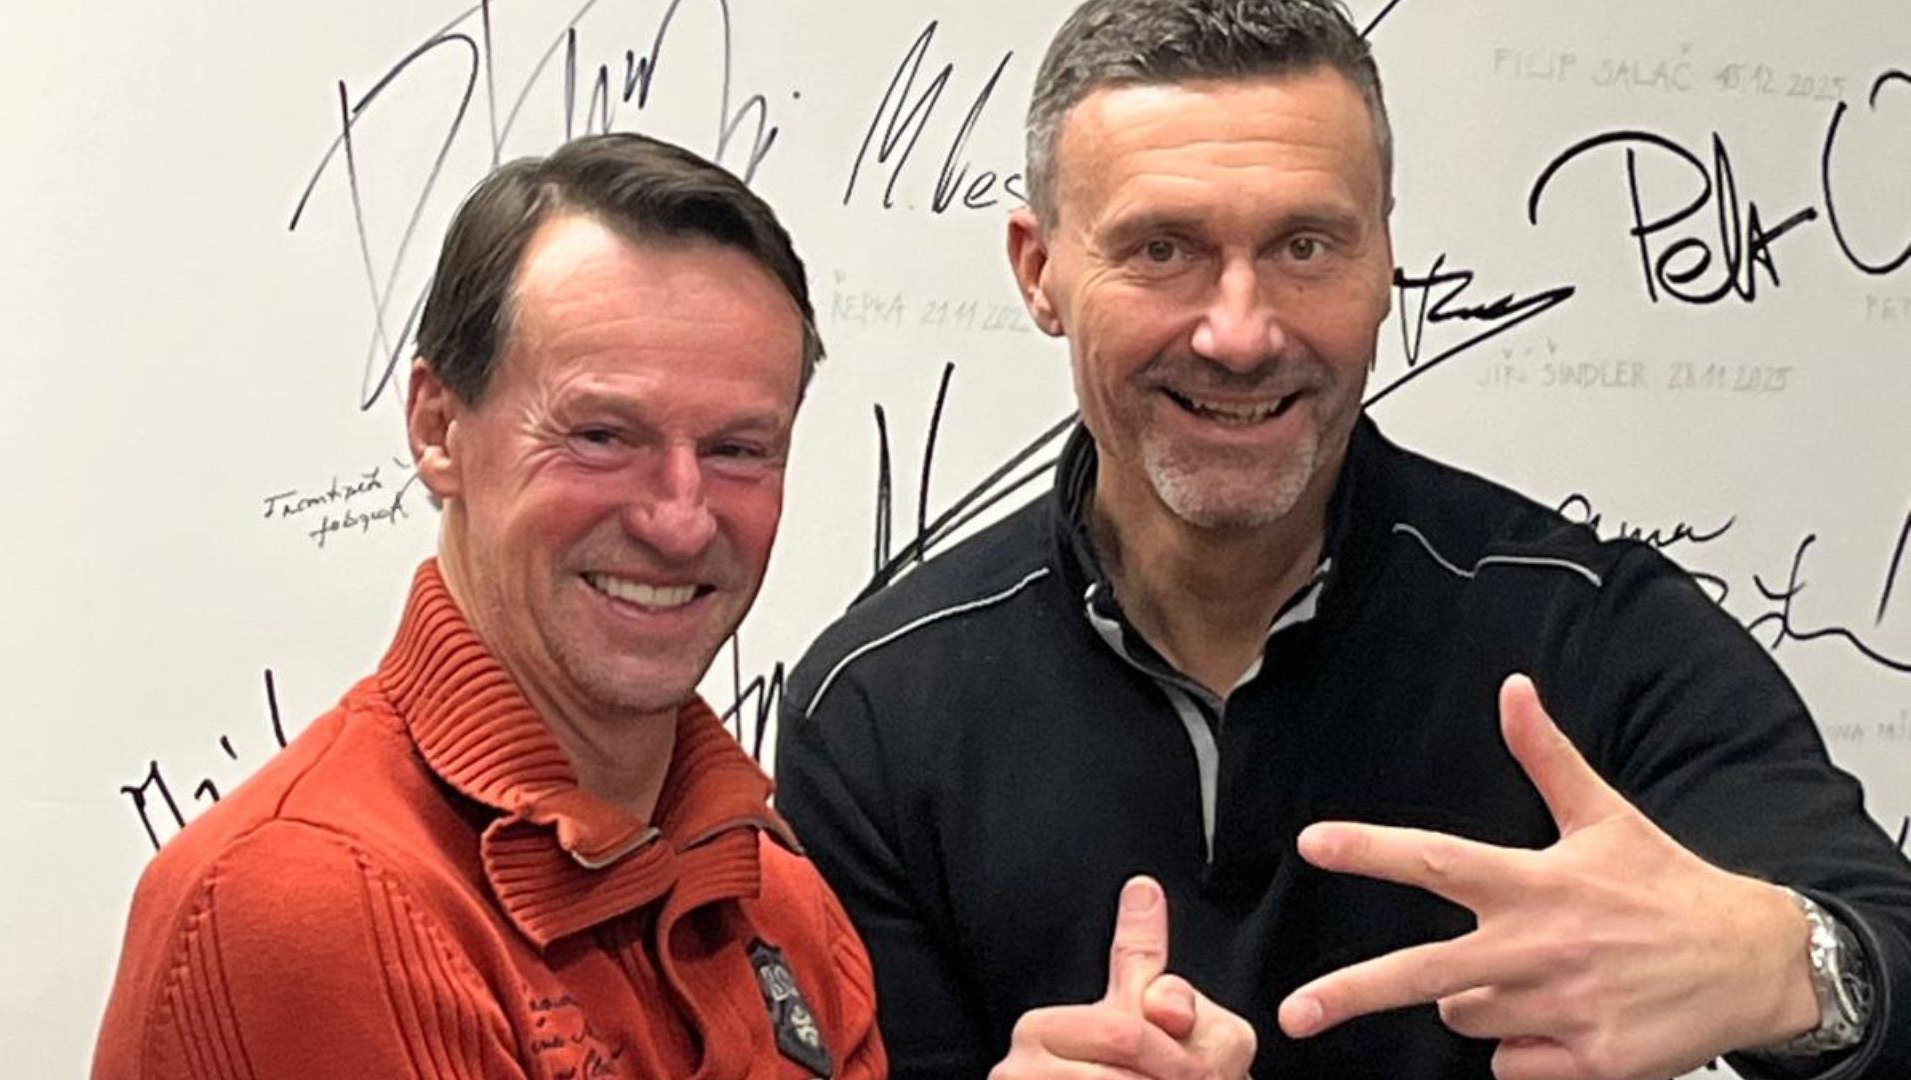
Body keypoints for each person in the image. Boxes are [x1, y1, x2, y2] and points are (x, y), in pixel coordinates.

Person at [774, 2, 1911, 1078]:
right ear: (1040, 272)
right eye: (1162, 250)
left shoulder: (1588, 632)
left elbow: (1885, 947)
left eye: (1306, 246)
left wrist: (1793, 970)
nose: (1239, 333)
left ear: (1385, 262)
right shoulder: (877, 708)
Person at [94, 133, 886, 1080]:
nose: (680, 520)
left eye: (738, 450)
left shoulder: (779, 896)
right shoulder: (304, 900)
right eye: (602, 436)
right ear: (438, 428)